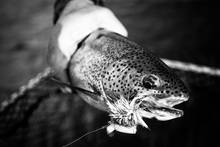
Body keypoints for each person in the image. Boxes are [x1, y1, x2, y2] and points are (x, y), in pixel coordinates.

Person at [48, 0, 128, 82]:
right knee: (123, 39)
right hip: (100, 13)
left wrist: (69, 86)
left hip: (66, 23)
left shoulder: (58, 27)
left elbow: (57, 67)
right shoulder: (104, 12)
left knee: (60, 70)